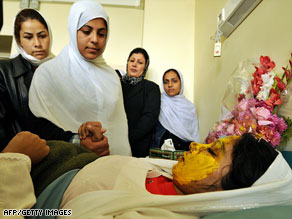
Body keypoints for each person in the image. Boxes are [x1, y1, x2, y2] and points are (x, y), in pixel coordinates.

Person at [28, 0, 131, 156]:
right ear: (73, 30)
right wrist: (77, 140)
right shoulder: (48, 73)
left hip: (113, 164)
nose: (95, 39)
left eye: (101, 34)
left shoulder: (111, 76)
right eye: (86, 31)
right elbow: (40, 128)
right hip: (69, 165)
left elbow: (118, 130)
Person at [0, 8, 108, 155]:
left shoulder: (63, 71)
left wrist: (82, 134)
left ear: (50, 35)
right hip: (22, 160)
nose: (37, 43)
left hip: (61, 154)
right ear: (19, 41)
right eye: (28, 37)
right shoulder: (4, 72)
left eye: (42, 36)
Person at [121, 47, 161, 157]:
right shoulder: (116, 85)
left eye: (140, 62)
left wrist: (127, 138)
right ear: (127, 63)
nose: (134, 65)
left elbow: (149, 118)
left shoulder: (151, 88)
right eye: (132, 60)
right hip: (113, 143)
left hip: (138, 147)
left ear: (145, 67)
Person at [151, 69, 199, 150]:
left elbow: (194, 132)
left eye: (174, 81)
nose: (170, 85)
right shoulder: (158, 102)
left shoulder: (189, 107)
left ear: (181, 82)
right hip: (161, 151)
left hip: (183, 152)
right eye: (166, 82)